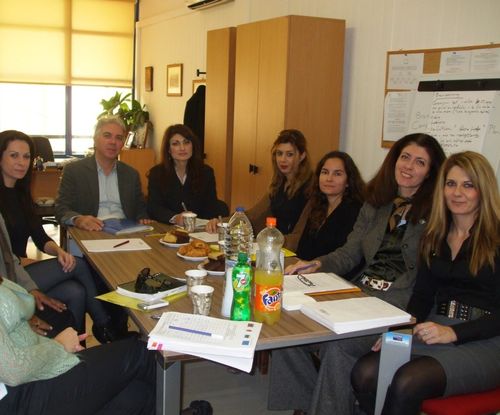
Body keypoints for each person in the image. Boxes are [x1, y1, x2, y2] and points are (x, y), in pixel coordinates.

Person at [268, 133, 446, 415]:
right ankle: (307, 405)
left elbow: (429, 282)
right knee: (289, 322)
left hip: (397, 303)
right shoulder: (376, 203)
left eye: (420, 162)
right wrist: (317, 264)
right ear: (394, 160)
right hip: (360, 293)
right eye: (405, 157)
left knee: (338, 346)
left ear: (431, 172)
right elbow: (350, 252)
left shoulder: (437, 214)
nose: (409, 166)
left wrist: (407, 325)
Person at [351, 151, 500, 415]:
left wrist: (454, 333)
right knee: (365, 372)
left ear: (483, 190)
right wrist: (400, 332)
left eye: (468, 185)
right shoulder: (435, 235)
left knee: (408, 381)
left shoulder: (495, 238)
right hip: (435, 326)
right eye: (450, 184)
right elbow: (422, 296)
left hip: (486, 339)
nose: (457, 193)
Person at [0, 130, 120, 343]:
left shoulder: (20, 193)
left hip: (21, 268)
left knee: (75, 291)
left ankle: (78, 350)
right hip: (8, 277)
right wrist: (25, 264)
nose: (21, 162)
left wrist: (58, 251)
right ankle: (104, 325)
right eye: (13, 155)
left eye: (26, 156)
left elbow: (39, 236)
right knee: (79, 265)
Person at [0, 275, 156, 415]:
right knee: (140, 354)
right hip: (21, 396)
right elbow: (13, 370)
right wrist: (59, 345)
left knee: (138, 395)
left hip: (28, 380)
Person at [207, 129, 313, 235]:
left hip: (291, 243)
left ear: (302, 156)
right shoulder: (278, 184)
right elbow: (254, 214)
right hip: (274, 240)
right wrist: (220, 222)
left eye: (289, 154)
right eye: (279, 153)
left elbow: (299, 234)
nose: (283, 160)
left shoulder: (309, 186)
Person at [55, 115, 151, 231]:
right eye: (107, 136)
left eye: (119, 138)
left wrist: (143, 218)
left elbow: (140, 209)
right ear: (95, 139)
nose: (113, 142)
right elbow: (61, 209)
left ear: (122, 144)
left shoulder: (131, 174)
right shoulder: (74, 171)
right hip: (90, 230)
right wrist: (78, 219)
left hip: (125, 230)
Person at [284, 151, 365, 261]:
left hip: (332, 270)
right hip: (306, 268)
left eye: (337, 174)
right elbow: (303, 248)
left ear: (348, 181)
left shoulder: (356, 211)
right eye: (325, 172)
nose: (329, 179)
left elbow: (346, 257)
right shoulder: (316, 204)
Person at [147, 124, 227, 226]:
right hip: (168, 228)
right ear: (168, 149)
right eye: (175, 144)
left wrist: (213, 220)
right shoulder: (157, 173)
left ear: (192, 146)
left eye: (186, 142)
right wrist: (175, 218)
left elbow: (211, 205)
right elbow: (154, 207)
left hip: (200, 228)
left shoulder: (206, 172)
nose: (182, 148)